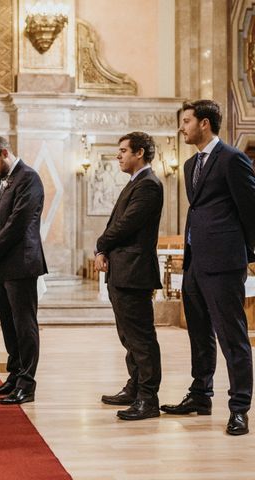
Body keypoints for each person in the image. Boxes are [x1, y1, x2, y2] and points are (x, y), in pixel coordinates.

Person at [160, 100, 255, 436]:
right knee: (199, 333)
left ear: (204, 123)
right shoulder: (189, 165)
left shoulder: (232, 159)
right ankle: (201, 395)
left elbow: (250, 208)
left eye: (186, 121)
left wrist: (249, 255)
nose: (182, 127)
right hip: (195, 261)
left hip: (225, 261)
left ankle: (239, 407)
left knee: (233, 336)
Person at [95, 132, 163, 421]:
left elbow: (126, 225)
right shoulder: (136, 182)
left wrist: (100, 244)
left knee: (141, 339)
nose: (118, 155)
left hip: (134, 271)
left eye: (124, 150)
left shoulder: (149, 185)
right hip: (123, 270)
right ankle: (135, 387)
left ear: (140, 153)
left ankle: (148, 399)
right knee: (128, 337)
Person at [0, 135, 47, 405]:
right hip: (4, 265)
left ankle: (27, 384)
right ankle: (14, 375)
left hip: (21, 263)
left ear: (4, 152)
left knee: (24, 325)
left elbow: (19, 222)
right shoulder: (1, 181)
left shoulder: (29, 178)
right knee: (8, 323)